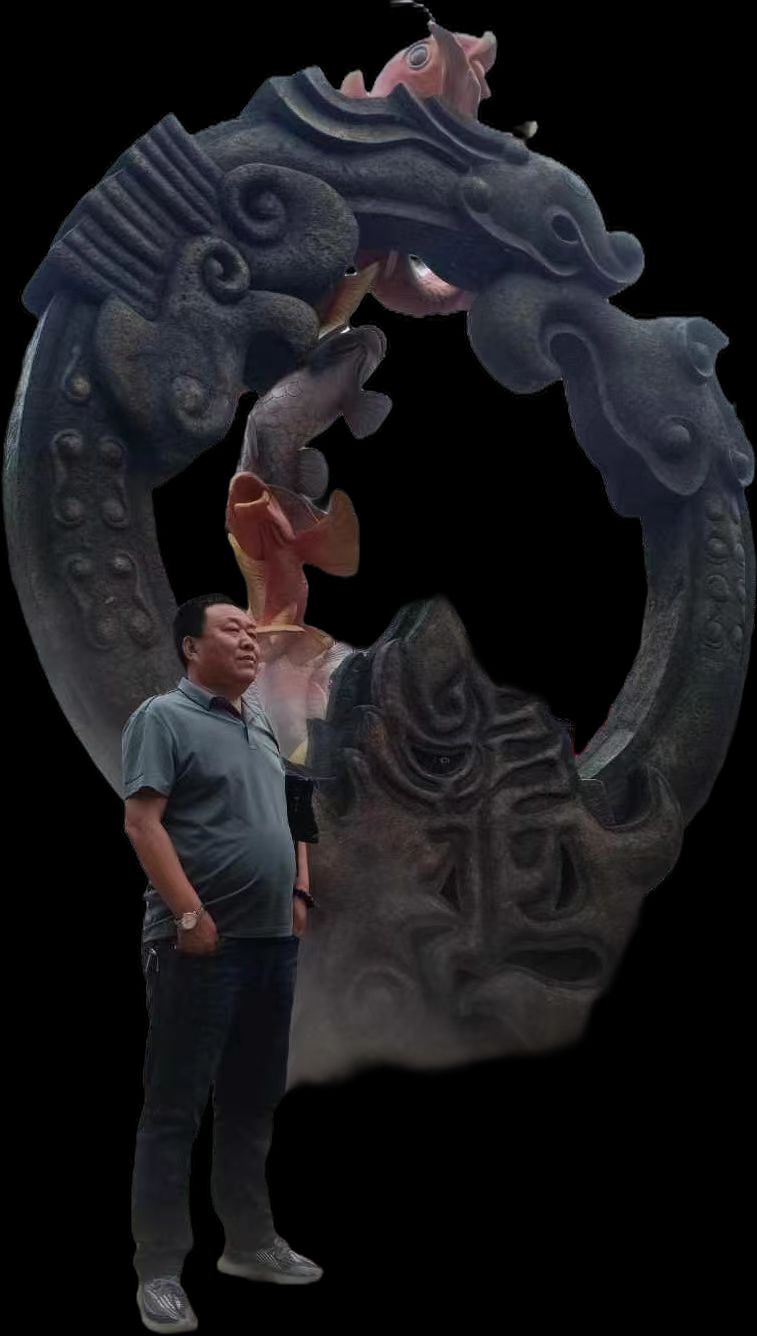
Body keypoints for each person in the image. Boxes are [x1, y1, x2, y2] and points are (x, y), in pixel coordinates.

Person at [123, 593, 323, 1334]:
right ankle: (159, 1271)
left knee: (251, 1100)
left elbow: (296, 810)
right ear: (189, 647)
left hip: (271, 945)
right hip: (198, 946)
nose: (249, 640)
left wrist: (300, 890)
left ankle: (247, 1243)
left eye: (251, 629)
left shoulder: (263, 720)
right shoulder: (163, 718)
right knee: (174, 1109)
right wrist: (188, 915)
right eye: (232, 629)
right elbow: (141, 822)